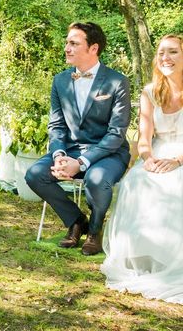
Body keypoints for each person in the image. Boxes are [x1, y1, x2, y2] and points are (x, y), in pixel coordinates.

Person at [25, 22, 131, 255]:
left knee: (96, 178)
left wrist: (81, 162)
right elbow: (57, 125)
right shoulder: (60, 81)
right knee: (34, 174)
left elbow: (116, 133)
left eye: (74, 43)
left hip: (108, 153)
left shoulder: (117, 81)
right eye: (67, 43)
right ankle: (76, 221)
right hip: (70, 149)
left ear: (93, 48)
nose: (67, 48)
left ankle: (95, 230)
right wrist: (60, 156)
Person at [101, 34, 183, 303]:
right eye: (161, 53)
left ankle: (172, 261)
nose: (165, 58)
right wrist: (147, 159)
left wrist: (177, 161)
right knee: (137, 182)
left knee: (177, 185)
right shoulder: (150, 92)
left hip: (181, 156)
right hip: (157, 153)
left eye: (172, 52)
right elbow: (144, 137)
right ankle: (145, 257)